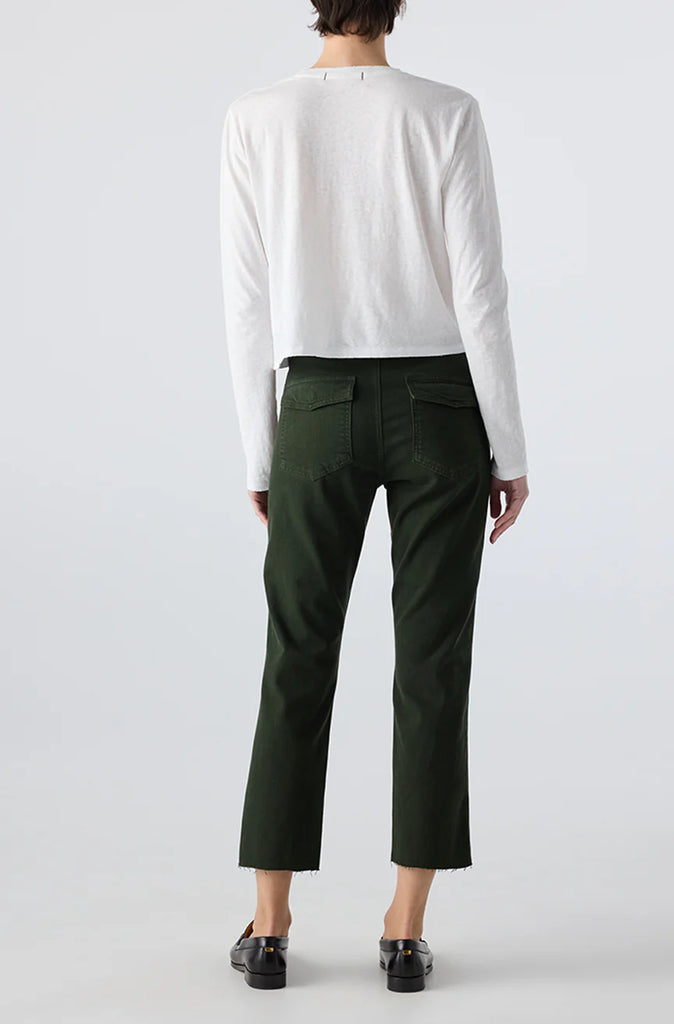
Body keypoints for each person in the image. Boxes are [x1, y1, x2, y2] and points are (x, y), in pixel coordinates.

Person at [220, 0, 530, 992]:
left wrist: (261, 454)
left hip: (313, 405)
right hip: (441, 405)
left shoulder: (256, 117)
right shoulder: (445, 111)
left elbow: (246, 300)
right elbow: (479, 290)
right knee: (432, 664)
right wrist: (508, 444)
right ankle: (403, 929)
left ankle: (269, 925)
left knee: (295, 657)